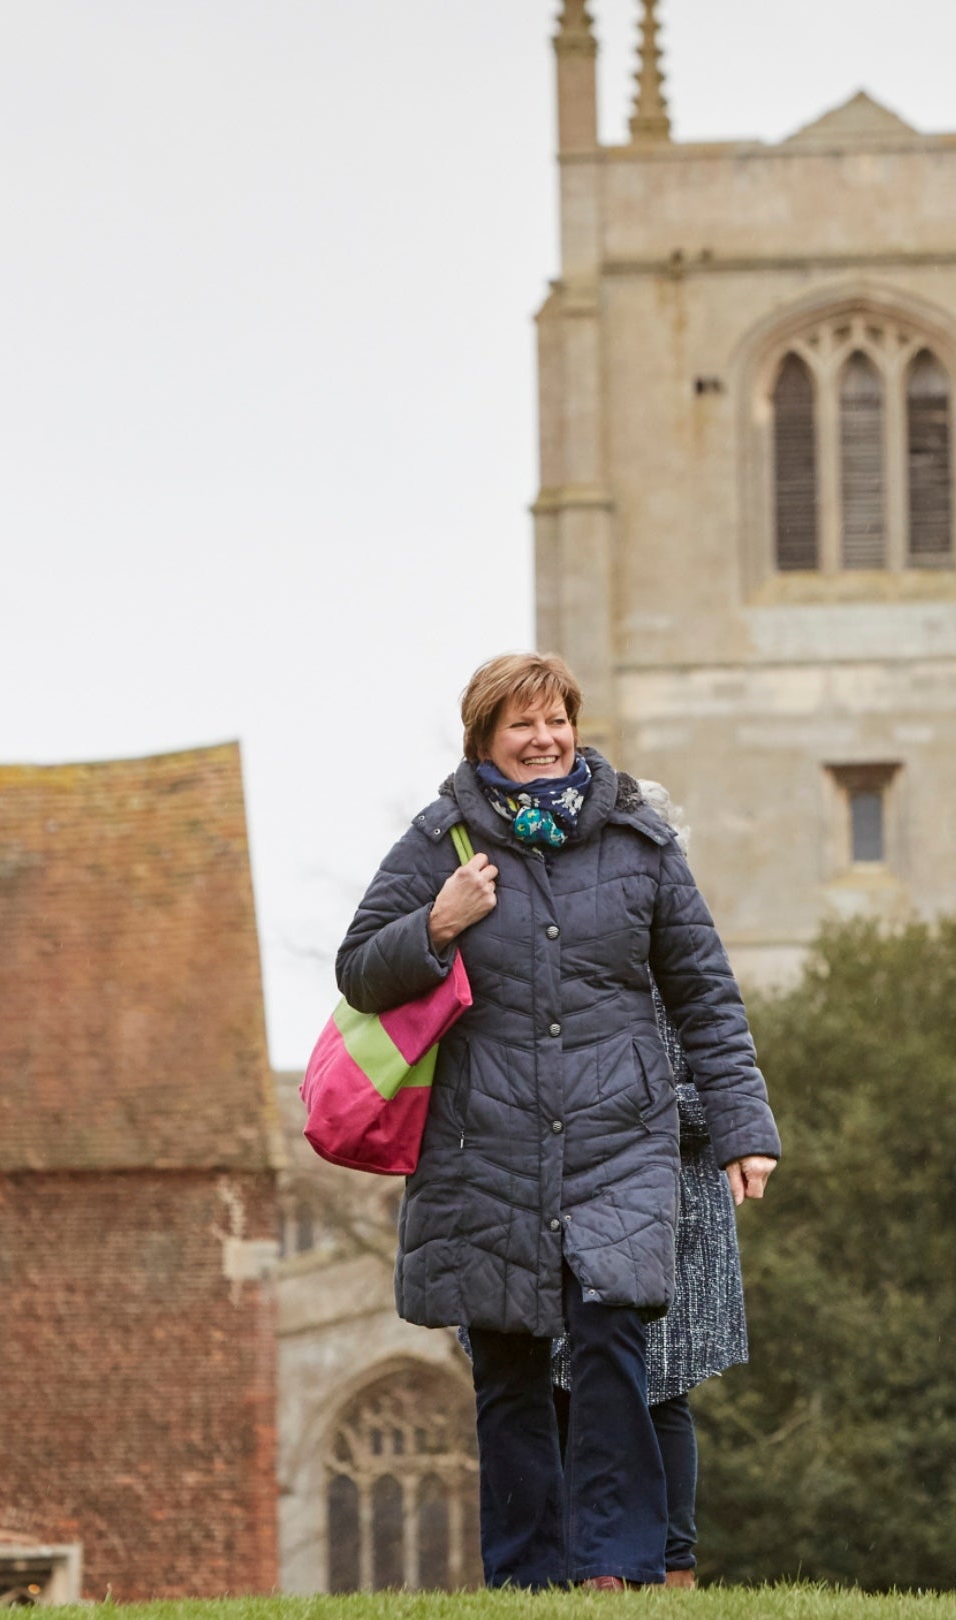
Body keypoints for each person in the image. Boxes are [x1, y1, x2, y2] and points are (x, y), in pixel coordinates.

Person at [336, 652, 780, 1591]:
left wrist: (745, 1130)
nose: (544, 741)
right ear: (485, 741)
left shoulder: (639, 841)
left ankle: (617, 1570)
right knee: (509, 1364)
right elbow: (359, 970)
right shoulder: (438, 841)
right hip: (482, 1142)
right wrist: (438, 925)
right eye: (521, 727)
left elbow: (705, 994)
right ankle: (526, 1578)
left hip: (618, 1137)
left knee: (614, 1341)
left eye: (557, 721)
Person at [549, 785, 749, 1591]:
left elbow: (716, 1084)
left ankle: (671, 1566)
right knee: (567, 1389)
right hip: (574, 1206)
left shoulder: (682, 963)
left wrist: (625, 1101)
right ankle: (587, 1565)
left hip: (674, 1212)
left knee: (658, 1394)